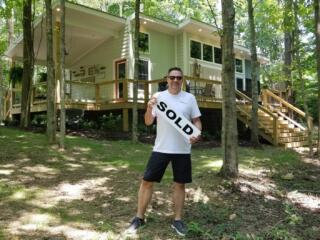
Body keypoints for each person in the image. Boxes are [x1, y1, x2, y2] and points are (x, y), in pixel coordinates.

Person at [126, 67, 202, 237]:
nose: (175, 80)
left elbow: (196, 121)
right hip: (161, 148)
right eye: (172, 77)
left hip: (182, 150)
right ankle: (139, 218)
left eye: (179, 78)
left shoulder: (190, 98)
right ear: (166, 79)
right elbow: (147, 122)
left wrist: (197, 133)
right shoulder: (158, 97)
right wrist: (147, 108)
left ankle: (177, 220)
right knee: (146, 182)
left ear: (183, 80)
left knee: (180, 184)